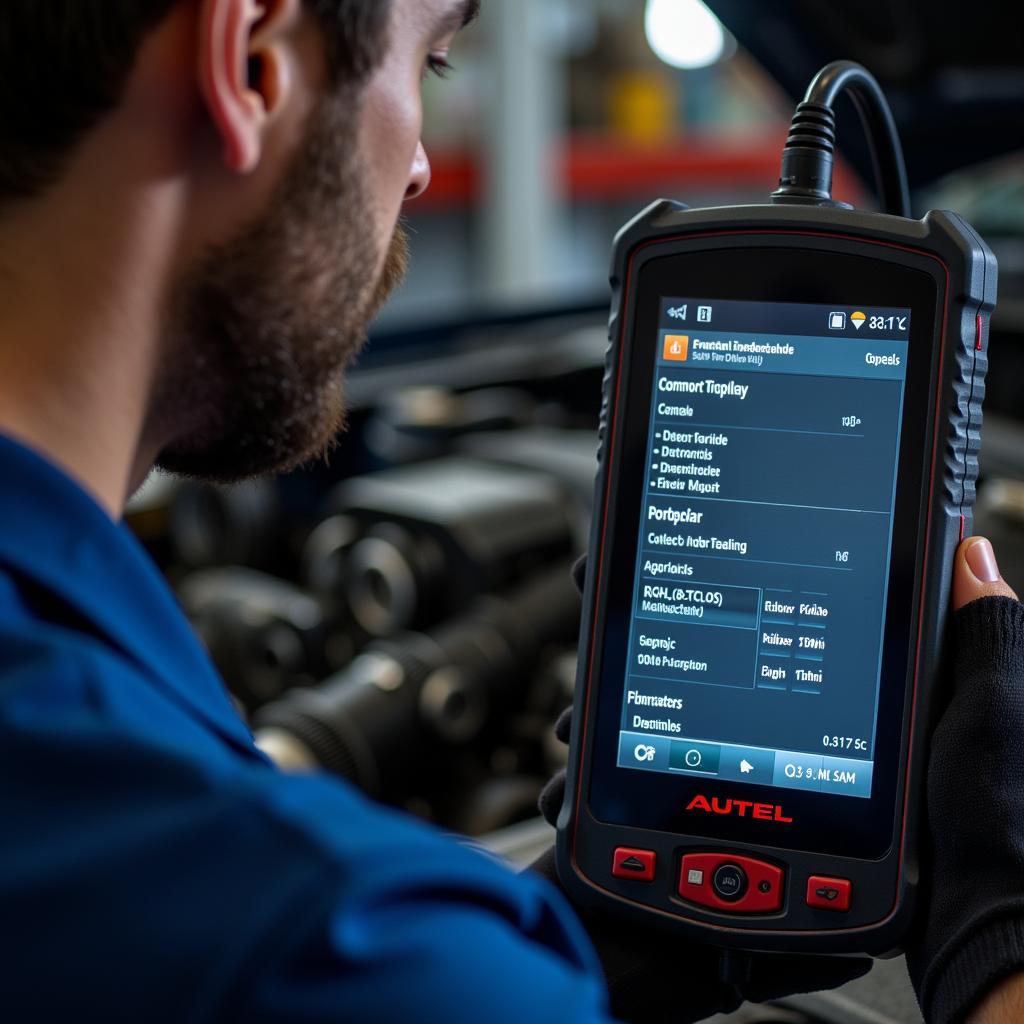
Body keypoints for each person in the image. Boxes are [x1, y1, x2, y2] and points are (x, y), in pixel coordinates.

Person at [0, 2, 1021, 1021]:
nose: (419, 172)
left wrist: (575, 944)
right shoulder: (333, 943)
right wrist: (998, 941)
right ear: (252, 61)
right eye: (431, 64)